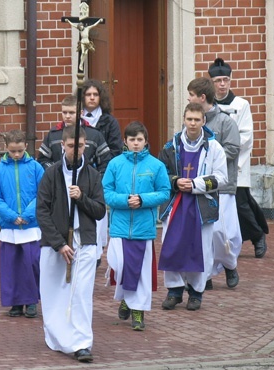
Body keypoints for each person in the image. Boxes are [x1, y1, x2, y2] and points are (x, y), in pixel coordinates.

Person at [36, 126, 106, 363]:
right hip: (56, 242)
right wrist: (58, 244)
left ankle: (82, 343)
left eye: (81, 146)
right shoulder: (52, 174)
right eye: (72, 146)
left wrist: (81, 197)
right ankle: (58, 335)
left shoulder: (93, 176)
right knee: (54, 291)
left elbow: (99, 210)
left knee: (81, 293)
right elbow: (42, 211)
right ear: (62, 146)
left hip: (84, 240)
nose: (76, 150)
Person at [158, 102, 228, 310]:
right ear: (183, 120)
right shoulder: (171, 146)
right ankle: (174, 291)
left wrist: (196, 184)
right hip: (175, 203)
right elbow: (161, 173)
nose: (193, 123)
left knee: (201, 248)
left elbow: (222, 178)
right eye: (189, 119)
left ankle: (196, 292)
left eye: (197, 119)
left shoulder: (214, 147)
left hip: (201, 204)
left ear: (203, 121)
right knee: (172, 245)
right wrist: (175, 181)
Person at [102, 121, 170, 331]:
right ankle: (125, 298)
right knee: (120, 266)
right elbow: (106, 192)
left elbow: (164, 192)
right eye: (132, 140)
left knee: (141, 272)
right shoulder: (115, 165)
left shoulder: (156, 165)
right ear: (125, 141)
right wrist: (124, 200)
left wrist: (142, 199)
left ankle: (138, 313)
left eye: (139, 140)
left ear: (146, 141)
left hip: (144, 228)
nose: (136, 143)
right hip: (120, 227)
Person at [208, 57, 269, 259]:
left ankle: (258, 236)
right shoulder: (207, 106)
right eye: (218, 81)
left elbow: (246, 135)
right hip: (213, 164)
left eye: (226, 80)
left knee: (241, 203)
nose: (222, 84)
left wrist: (231, 158)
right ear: (212, 82)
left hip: (236, 162)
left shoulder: (241, 105)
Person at [187, 77, 242, 289]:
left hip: (220, 186)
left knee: (221, 233)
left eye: (192, 95)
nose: (189, 99)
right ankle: (206, 274)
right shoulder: (192, 121)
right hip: (197, 186)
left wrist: (209, 159)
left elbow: (233, 149)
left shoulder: (225, 122)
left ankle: (230, 264)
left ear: (202, 97)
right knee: (203, 233)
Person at [0, 129, 44, 318]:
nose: (17, 155)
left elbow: (42, 193)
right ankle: (15, 302)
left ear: (26, 147)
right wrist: (12, 216)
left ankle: (31, 301)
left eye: (20, 150)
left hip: (31, 225)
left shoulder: (36, 167)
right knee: (11, 267)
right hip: (10, 226)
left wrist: (28, 214)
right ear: (6, 149)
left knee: (31, 264)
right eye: (13, 151)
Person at [81, 79, 124, 258]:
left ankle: (97, 250)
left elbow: (115, 149)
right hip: (80, 171)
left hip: (101, 172)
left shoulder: (108, 121)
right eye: (88, 95)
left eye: (95, 95)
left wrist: (105, 170)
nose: (92, 98)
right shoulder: (77, 119)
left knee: (97, 208)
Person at [37, 95, 111, 175]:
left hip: (86, 183)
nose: (67, 116)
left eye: (71, 112)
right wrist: (56, 173)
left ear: (81, 113)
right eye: (64, 112)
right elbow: (42, 160)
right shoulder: (53, 135)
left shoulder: (94, 135)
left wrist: (95, 180)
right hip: (59, 182)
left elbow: (105, 162)